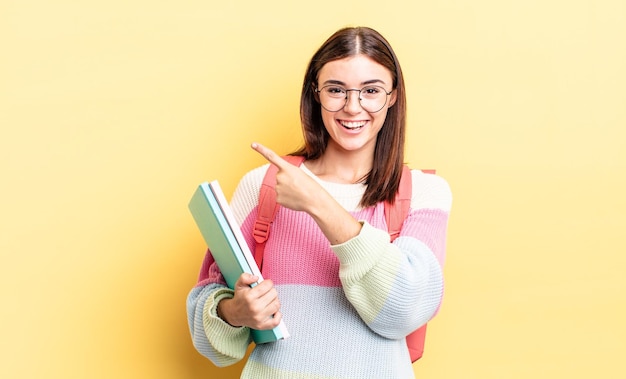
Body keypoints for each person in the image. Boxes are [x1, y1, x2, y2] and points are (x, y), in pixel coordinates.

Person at [186, 26, 452, 379]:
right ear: (316, 94)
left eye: (371, 91)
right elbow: (206, 326)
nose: (352, 107)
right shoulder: (264, 186)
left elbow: (403, 310)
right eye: (336, 90)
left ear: (392, 97)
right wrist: (235, 312)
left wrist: (318, 203)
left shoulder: (424, 193)